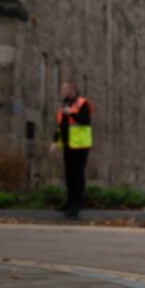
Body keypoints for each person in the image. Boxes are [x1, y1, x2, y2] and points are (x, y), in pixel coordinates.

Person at [52, 81, 93, 220]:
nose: (63, 91)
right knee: (69, 175)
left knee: (78, 175)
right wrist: (55, 141)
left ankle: (76, 206)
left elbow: (86, 121)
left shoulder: (82, 103)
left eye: (65, 88)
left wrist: (71, 114)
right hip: (68, 145)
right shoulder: (63, 104)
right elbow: (60, 125)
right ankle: (69, 203)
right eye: (62, 88)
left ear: (73, 89)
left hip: (81, 145)